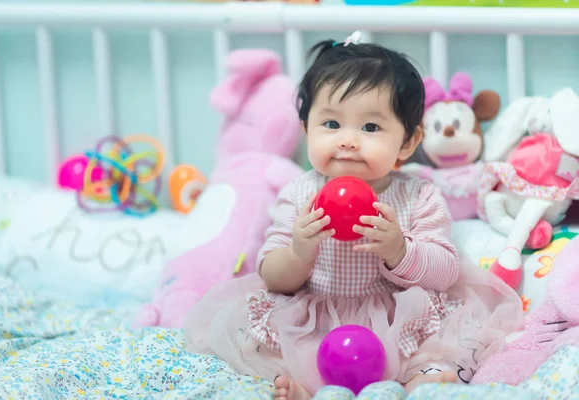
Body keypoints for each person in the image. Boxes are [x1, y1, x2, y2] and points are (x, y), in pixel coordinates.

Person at [183, 32, 523, 400]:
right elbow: (273, 277)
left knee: (436, 351)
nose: (347, 140)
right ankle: (307, 384)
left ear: (407, 143)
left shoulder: (418, 194)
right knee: (281, 344)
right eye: (331, 124)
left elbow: (445, 271)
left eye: (370, 127)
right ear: (306, 130)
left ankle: (419, 379)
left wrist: (399, 249)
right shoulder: (299, 194)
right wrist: (299, 252)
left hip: (398, 318)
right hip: (317, 315)